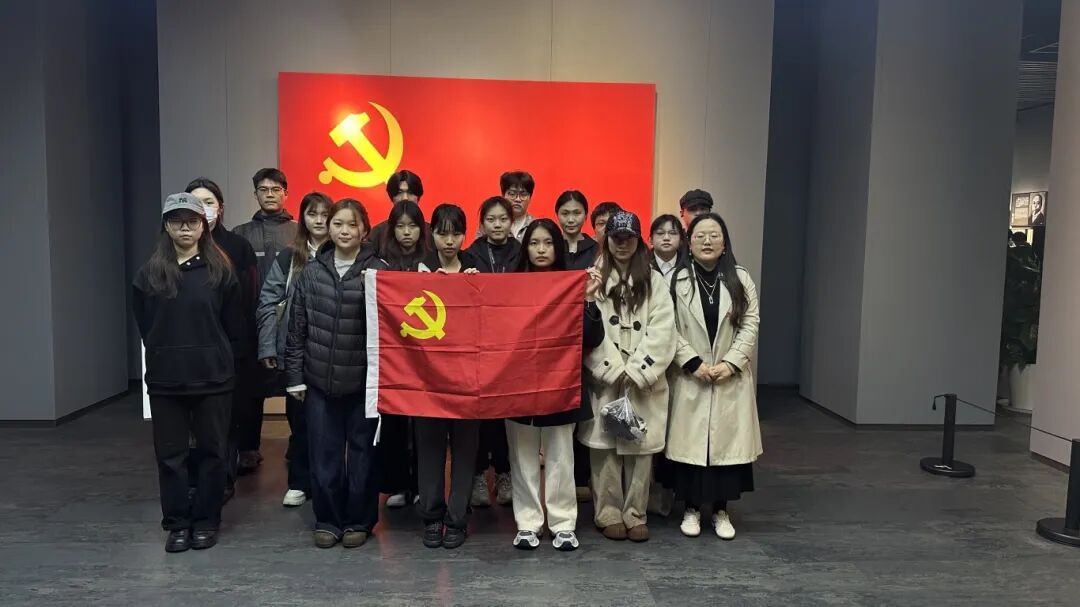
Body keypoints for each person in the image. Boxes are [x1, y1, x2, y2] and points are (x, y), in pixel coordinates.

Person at [133, 192, 244, 553]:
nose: (185, 228)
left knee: (213, 453)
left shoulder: (220, 270)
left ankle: (206, 521)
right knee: (171, 457)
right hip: (166, 379)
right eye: (176, 221)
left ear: (203, 226)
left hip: (213, 377)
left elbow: (234, 325)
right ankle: (177, 523)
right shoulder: (150, 274)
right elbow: (145, 325)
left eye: (192, 221)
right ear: (166, 226)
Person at [284, 198, 387, 549]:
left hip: (363, 384)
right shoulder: (312, 272)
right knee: (323, 457)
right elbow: (296, 329)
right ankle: (327, 520)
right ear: (328, 228)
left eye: (352, 224)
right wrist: (294, 377)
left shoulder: (379, 271)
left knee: (363, 458)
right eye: (338, 223)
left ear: (364, 230)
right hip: (318, 384)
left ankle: (359, 520)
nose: (344, 231)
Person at [505, 219, 606, 552]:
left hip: (561, 381)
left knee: (561, 457)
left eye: (548, 243)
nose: (541, 249)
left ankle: (563, 524)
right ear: (525, 248)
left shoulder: (572, 283)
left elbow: (593, 338)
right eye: (534, 243)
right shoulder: (510, 287)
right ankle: (528, 523)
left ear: (558, 248)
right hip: (518, 383)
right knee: (522, 456)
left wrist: (588, 299)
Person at [578, 211, 676, 543]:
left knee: (640, 450)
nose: (622, 245)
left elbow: (664, 330)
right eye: (616, 238)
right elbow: (586, 326)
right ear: (606, 239)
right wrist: (611, 367)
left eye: (629, 239)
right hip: (606, 381)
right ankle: (607, 512)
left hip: (642, 382)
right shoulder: (592, 277)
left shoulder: (654, 281)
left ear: (638, 241)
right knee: (604, 451)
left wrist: (638, 369)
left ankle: (636, 513)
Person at [666, 213, 761, 541]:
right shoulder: (676, 280)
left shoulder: (740, 278)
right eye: (700, 236)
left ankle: (721, 510)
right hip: (692, 376)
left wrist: (731, 363)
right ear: (689, 243)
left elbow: (750, 322)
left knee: (725, 449)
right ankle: (691, 508)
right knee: (692, 449)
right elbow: (668, 326)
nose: (707, 241)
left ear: (724, 243)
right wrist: (692, 362)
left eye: (714, 235)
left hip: (729, 377)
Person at [255, 191, 333, 508]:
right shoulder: (289, 257)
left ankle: (327, 483)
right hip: (296, 352)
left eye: (325, 214)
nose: (319, 220)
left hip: (332, 353)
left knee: (329, 424)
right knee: (299, 421)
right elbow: (268, 302)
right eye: (312, 214)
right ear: (303, 219)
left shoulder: (342, 253)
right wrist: (267, 346)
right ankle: (300, 482)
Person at [184, 178, 259, 502]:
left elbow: (251, 299)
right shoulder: (173, 249)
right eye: (195, 203)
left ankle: (223, 481)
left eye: (209, 202)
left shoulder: (238, 247)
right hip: (188, 352)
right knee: (191, 423)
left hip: (230, 349)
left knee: (226, 420)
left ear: (221, 207)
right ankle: (193, 481)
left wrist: (242, 346)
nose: (203, 210)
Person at [414, 204, 482, 549]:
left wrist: (476, 287)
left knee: (465, 451)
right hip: (427, 381)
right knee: (429, 450)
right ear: (433, 235)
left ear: (465, 235)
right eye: (443, 233)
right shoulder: (418, 270)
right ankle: (431, 516)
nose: (450, 240)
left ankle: (457, 518)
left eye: (456, 233)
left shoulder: (477, 269)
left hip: (468, 379)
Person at [232, 167, 299, 473]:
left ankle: (299, 443)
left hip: (292, 323)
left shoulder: (298, 232)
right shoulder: (241, 233)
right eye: (263, 189)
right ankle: (248, 447)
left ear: (286, 193)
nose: (270, 195)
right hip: (251, 322)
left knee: (294, 385)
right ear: (255, 194)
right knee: (250, 389)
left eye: (275, 189)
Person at [466, 196, 520, 507]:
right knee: (479, 415)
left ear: (511, 222)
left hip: (512, 345)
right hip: (479, 345)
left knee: (505, 414)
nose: (497, 225)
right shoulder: (471, 254)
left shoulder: (522, 253)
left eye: (503, 219)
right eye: (491, 219)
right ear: (482, 223)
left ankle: (504, 473)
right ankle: (477, 476)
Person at [376, 200, 429, 508]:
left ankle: (422, 484)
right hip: (393, 354)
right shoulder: (381, 262)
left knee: (423, 424)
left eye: (412, 226)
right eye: (400, 226)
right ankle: (397, 485)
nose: (407, 232)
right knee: (394, 421)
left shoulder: (431, 259)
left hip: (425, 355)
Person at [369, 169, 424, 245]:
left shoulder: (431, 233)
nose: (405, 198)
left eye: (410, 192)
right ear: (392, 197)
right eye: (399, 192)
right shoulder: (377, 234)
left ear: (418, 196)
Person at [557, 190, 598, 271]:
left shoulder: (597, 249)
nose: (571, 220)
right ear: (557, 215)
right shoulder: (551, 248)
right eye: (565, 214)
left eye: (577, 213)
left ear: (586, 215)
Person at [650, 214, 686, 279]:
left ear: (681, 240)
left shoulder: (688, 264)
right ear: (651, 239)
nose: (666, 238)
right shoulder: (642, 263)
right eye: (660, 233)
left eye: (672, 233)